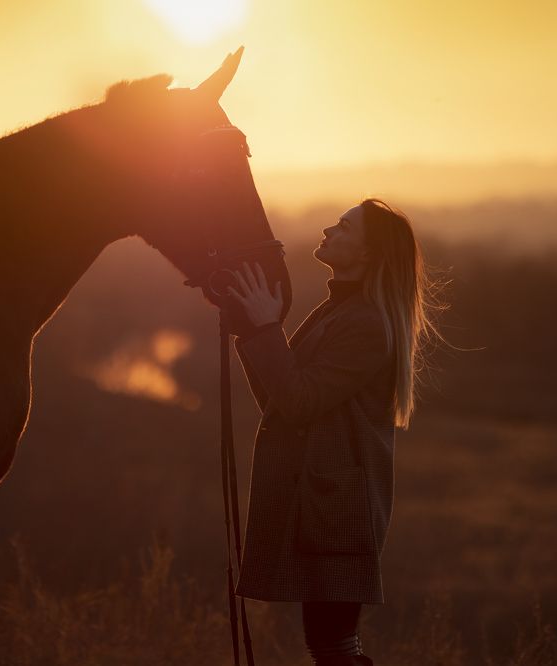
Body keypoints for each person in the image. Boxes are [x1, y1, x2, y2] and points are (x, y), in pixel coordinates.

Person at [224, 198, 447, 665]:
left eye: (344, 228)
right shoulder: (337, 310)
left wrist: (266, 329)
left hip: (337, 510)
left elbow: (300, 403)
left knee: (335, 646)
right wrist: (253, 330)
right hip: (322, 506)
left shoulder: (366, 323)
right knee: (330, 645)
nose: (328, 230)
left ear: (369, 254)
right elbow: (281, 403)